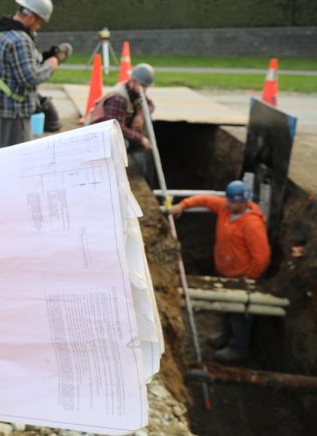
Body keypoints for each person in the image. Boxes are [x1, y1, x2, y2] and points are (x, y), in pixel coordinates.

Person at [171, 180, 271, 362]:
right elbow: (205, 200)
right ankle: (226, 336)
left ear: (244, 201)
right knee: (227, 309)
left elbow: (262, 256)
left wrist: (248, 278)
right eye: (229, 200)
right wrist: (183, 205)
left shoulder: (252, 224)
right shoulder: (226, 209)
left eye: (233, 202)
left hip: (242, 277)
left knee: (240, 314)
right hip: (225, 271)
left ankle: (238, 347)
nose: (229, 204)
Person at [0, 0, 71, 150]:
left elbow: (13, 65)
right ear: (31, 17)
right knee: (18, 162)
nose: (38, 27)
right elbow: (30, 77)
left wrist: (45, 57)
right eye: (39, 22)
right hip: (12, 112)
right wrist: (52, 64)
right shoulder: (21, 39)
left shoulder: (0, 31)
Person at [88, 62, 157, 185]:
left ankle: (143, 178)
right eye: (143, 86)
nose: (145, 90)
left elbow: (150, 105)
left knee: (141, 137)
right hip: (100, 135)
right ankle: (113, 180)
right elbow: (116, 127)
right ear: (133, 81)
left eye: (146, 86)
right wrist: (141, 139)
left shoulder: (134, 91)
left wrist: (140, 116)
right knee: (122, 144)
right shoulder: (119, 98)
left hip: (116, 129)